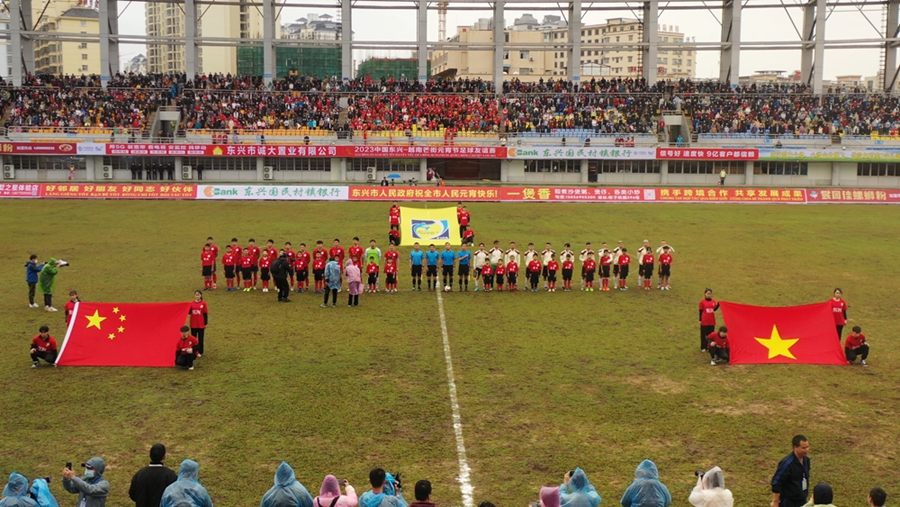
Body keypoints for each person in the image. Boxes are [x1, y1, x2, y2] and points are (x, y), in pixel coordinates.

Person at [771, 435, 811, 507]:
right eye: (803, 448)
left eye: (807, 447)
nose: (807, 450)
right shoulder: (787, 464)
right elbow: (776, 482)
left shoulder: (806, 460)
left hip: (802, 500)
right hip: (789, 502)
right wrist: (775, 502)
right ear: (795, 447)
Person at [189, 291, 209, 357]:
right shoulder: (191, 303)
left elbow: (205, 313)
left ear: (200, 295)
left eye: (198, 295)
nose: (197, 296)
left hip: (200, 324)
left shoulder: (203, 303)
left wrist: (205, 323)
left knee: (200, 339)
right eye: (196, 295)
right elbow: (189, 312)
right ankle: (194, 351)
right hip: (193, 324)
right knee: (193, 339)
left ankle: (200, 351)